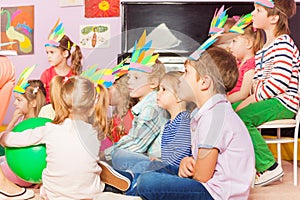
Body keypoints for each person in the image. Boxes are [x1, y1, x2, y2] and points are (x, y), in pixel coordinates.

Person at [135, 47, 255, 200]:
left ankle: (133, 186)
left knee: (148, 182)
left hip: (217, 195)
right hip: (208, 186)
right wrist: (186, 162)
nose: (181, 79)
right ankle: (130, 183)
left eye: (186, 72)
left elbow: (202, 175)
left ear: (204, 82)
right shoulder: (209, 113)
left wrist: (188, 169)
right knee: (155, 168)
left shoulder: (215, 118)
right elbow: (199, 165)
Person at [0, 76, 130, 199]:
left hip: (55, 194)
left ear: (62, 103)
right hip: (90, 193)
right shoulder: (93, 132)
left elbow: (17, 140)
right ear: (91, 109)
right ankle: (109, 183)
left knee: (48, 182)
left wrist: (3, 137)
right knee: (94, 167)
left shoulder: (50, 129)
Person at [234, 0, 299, 187]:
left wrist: (251, 99)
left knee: (241, 117)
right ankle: (240, 166)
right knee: (228, 112)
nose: (252, 14)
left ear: (274, 18)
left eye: (258, 10)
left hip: (283, 103)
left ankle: (269, 167)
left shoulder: (283, 44)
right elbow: (258, 84)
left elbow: (278, 84)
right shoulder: (264, 49)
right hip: (269, 101)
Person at [104, 31, 168, 161]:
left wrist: (104, 155)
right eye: (129, 77)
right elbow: (131, 138)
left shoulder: (152, 108)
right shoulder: (144, 107)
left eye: (136, 77)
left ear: (154, 83)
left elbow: (136, 144)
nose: (129, 81)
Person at [1, 79, 46, 187]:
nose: (15, 103)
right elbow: (3, 143)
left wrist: (40, 180)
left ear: (33, 103)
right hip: (14, 165)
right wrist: (13, 119)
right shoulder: (20, 119)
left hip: (22, 173)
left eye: (19, 100)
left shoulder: (39, 125)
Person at [41, 19, 83, 103]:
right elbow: (41, 99)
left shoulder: (74, 74)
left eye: (52, 52)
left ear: (65, 53)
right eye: (47, 52)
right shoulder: (46, 75)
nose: (49, 56)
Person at [227, 24, 264, 105]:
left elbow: (243, 94)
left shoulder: (251, 64)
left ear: (248, 43)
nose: (230, 46)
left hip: (239, 103)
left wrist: (224, 100)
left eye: (234, 41)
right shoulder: (239, 63)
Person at [100, 74, 137, 152]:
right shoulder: (117, 115)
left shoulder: (128, 117)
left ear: (122, 90)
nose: (105, 93)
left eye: (108, 89)